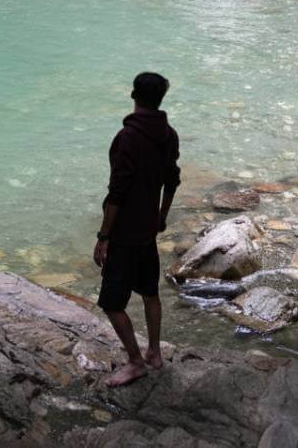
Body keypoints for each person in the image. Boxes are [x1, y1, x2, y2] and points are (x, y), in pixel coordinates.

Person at [93, 72, 180, 388]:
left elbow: (117, 192)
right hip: (147, 231)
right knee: (150, 292)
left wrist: (104, 236)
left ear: (134, 95)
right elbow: (172, 180)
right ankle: (154, 352)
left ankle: (135, 362)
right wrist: (161, 216)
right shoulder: (168, 135)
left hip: (126, 233)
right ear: (160, 100)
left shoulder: (126, 138)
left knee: (112, 304)